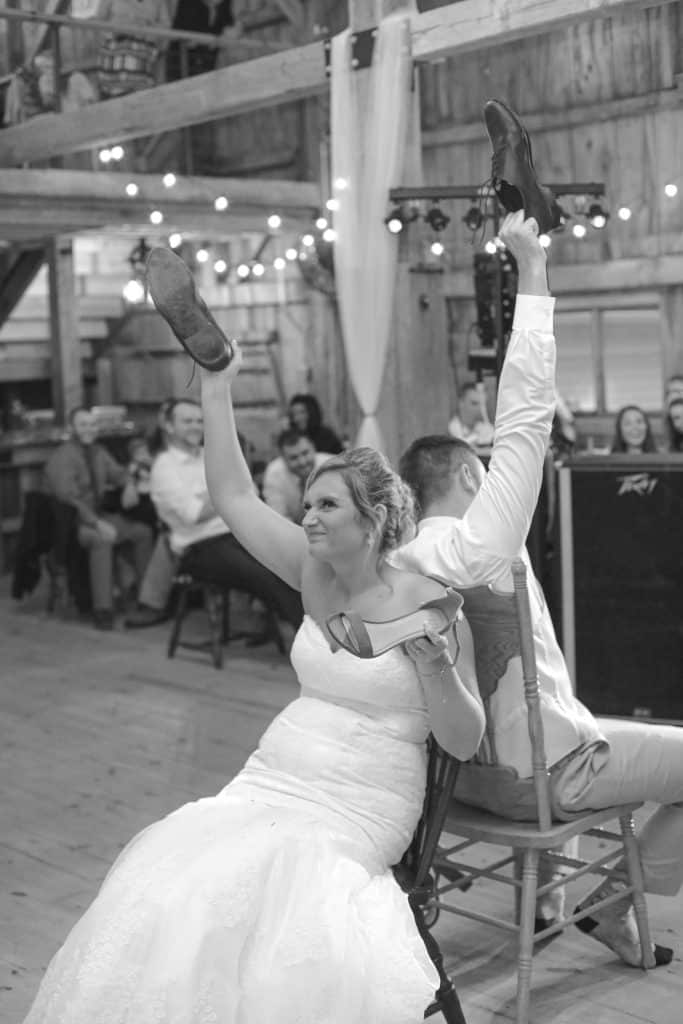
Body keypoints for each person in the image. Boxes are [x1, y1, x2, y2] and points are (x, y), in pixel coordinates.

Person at [21, 297, 486, 1021]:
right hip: (267, 783)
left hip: (356, 806)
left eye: (326, 506)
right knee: (168, 883)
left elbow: (464, 740)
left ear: (374, 521)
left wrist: (437, 670)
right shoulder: (314, 571)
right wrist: (216, 382)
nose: (307, 517)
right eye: (307, 504)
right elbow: (232, 493)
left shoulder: (432, 604)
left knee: (279, 912)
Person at [394, 211, 683, 967]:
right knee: (585, 733)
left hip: (462, 784)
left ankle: (552, 907)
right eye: (481, 466)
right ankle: (610, 898)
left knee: (570, 714)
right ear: (465, 474)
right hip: (543, 779)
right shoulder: (479, 544)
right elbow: (523, 412)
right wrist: (532, 271)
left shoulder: (403, 561)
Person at [147, 397, 304, 632]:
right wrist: (227, 494)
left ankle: (331, 637)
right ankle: (321, 647)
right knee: (270, 577)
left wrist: (218, 496)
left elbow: (247, 492)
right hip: (199, 547)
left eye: (200, 420)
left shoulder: (210, 455)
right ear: (169, 426)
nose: (196, 426)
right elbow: (195, 515)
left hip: (236, 533)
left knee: (298, 562)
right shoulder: (164, 467)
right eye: (187, 421)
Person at [43, 406, 154, 629]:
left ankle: (146, 599)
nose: (89, 429)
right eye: (83, 424)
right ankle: (103, 609)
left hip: (99, 514)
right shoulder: (62, 457)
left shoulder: (98, 452)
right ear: (71, 428)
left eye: (92, 425)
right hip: (72, 522)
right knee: (102, 539)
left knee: (143, 532)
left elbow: (119, 474)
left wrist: (131, 481)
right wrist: (97, 523)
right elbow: (68, 500)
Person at [262, 427, 332, 524]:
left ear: (313, 447)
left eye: (305, 453)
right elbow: (279, 519)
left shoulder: (332, 466)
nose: (302, 462)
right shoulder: (274, 475)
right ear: (283, 459)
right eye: (294, 458)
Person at [447, 380, 494, 448]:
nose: (479, 409)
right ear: (461, 403)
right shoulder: (452, 428)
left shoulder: (485, 427)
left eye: (482, 405)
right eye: (474, 403)